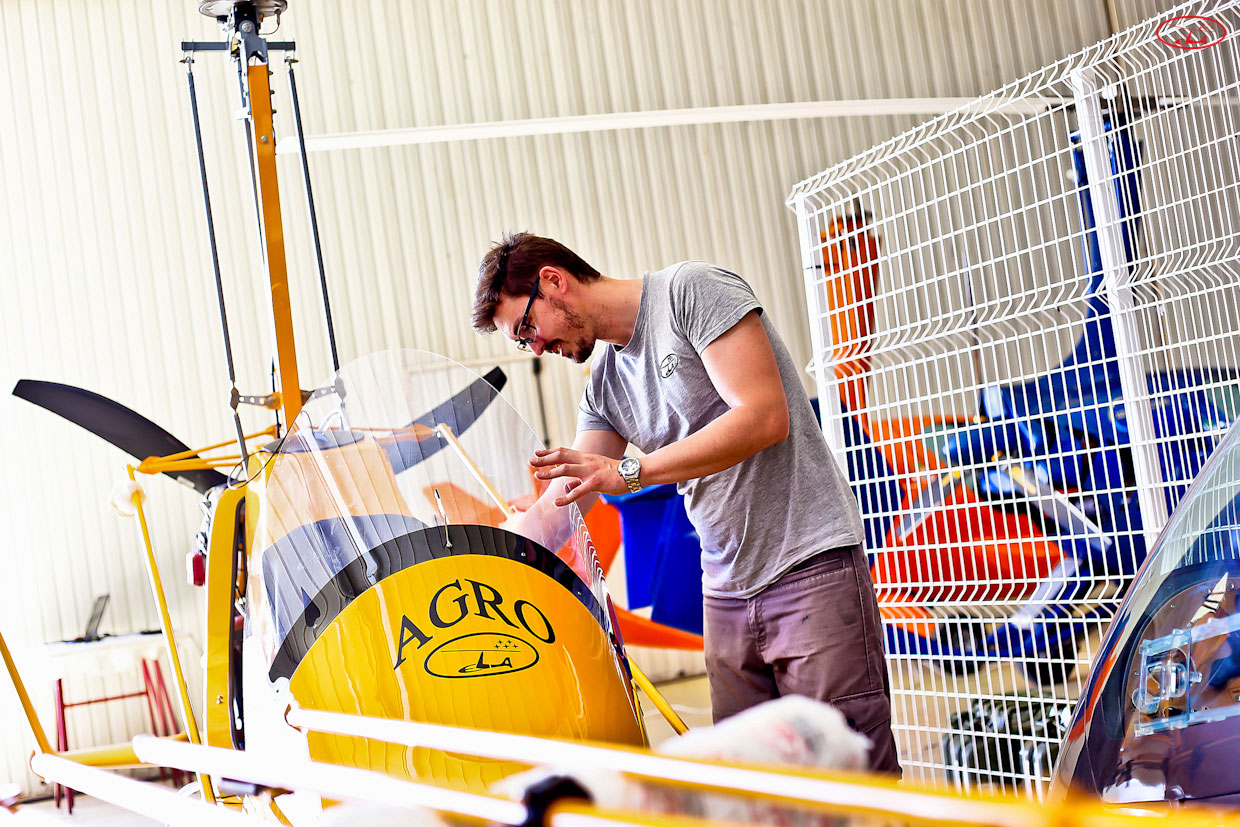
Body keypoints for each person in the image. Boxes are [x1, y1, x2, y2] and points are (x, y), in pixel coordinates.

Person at [471, 232, 900, 775]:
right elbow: (572, 494)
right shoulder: (605, 386)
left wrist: (631, 470)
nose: (534, 348)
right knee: (753, 788)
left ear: (553, 281)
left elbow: (764, 415)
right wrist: (491, 550)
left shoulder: (690, 293)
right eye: (521, 341)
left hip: (807, 568)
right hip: (724, 594)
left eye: (526, 328)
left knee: (854, 778)